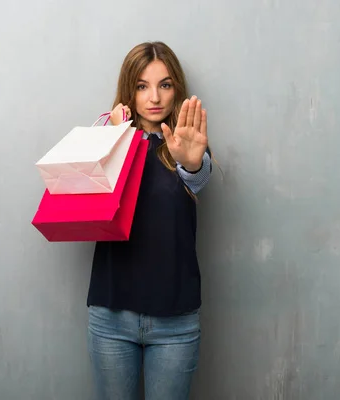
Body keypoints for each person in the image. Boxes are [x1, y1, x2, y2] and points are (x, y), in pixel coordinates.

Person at [86, 41, 215, 400]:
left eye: (165, 84)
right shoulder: (106, 139)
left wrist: (190, 162)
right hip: (111, 316)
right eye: (142, 86)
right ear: (130, 90)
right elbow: (90, 197)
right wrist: (115, 137)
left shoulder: (186, 143)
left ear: (177, 90)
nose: (154, 97)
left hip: (175, 321)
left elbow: (197, 177)